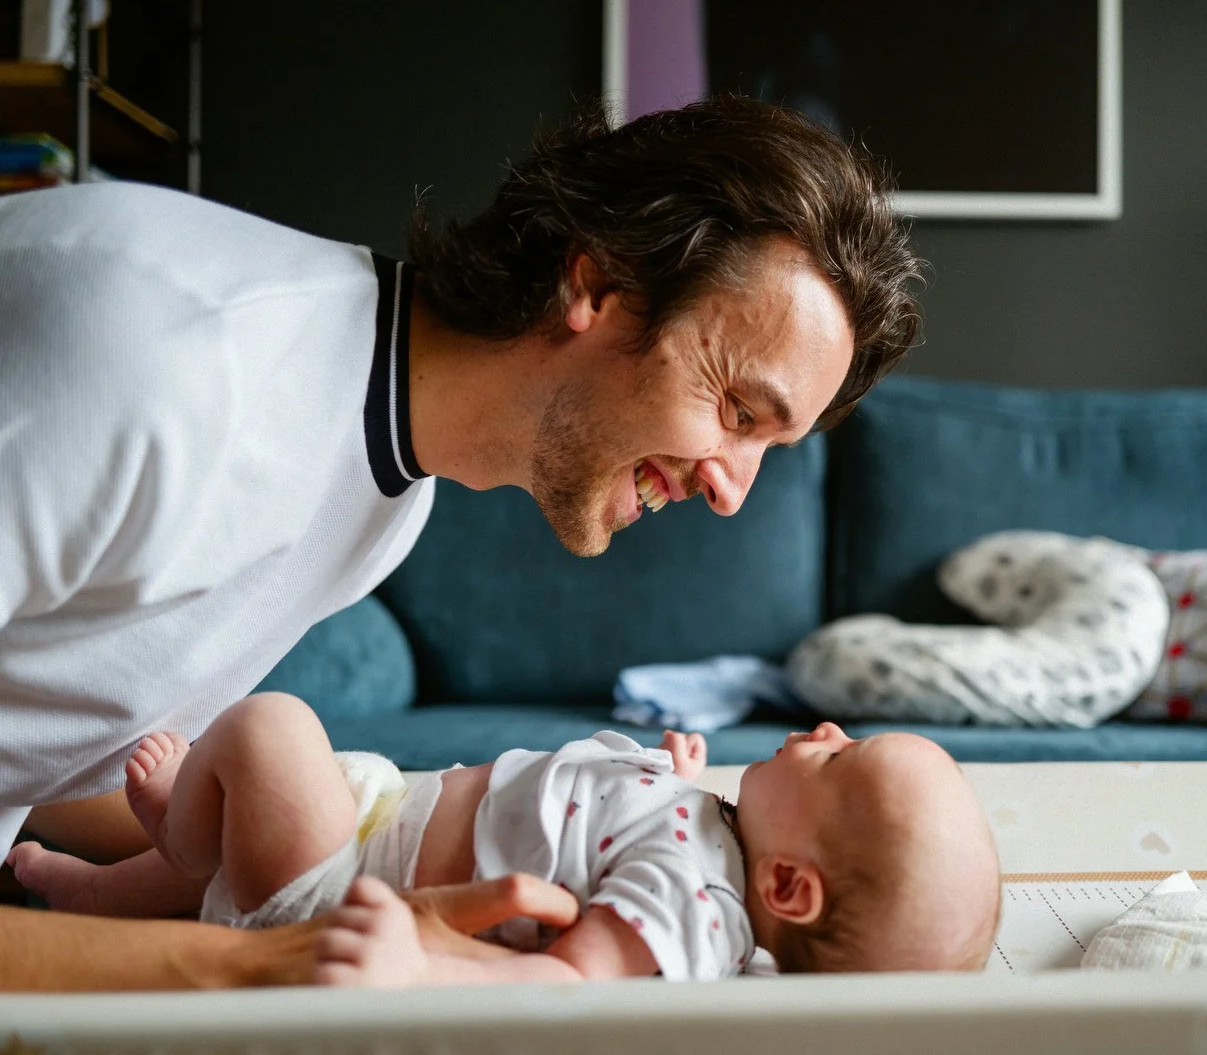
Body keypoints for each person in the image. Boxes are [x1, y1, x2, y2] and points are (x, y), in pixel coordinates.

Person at [0, 93, 923, 989]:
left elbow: (50, 753)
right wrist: (277, 961)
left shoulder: (384, 507)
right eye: (735, 409)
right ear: (597, 286)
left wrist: (395, 874)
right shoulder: (148, 364)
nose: (732, 491)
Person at [11, 695, 1002, 984]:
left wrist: (418, 972)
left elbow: (565, 984)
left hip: (338, 890)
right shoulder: (715, 840)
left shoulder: (692, 905)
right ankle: (77, 887)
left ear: (786, 889)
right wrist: (675, 779)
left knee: (272, 731)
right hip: (374, 826)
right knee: (290, 790)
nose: (826, 731)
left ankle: (181, 840)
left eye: (843, 760)